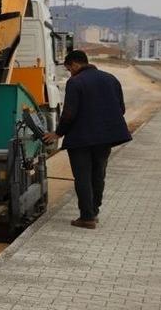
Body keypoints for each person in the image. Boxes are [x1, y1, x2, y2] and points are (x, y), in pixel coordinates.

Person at [43, 50, 132, 229]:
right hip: (105, 138)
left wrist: (58, 133)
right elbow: (120, 108)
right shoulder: (110, 78)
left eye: (69, 69)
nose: (70, 72)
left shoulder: (75, 82)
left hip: (81, 139)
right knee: (98, 174)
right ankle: (94, 211)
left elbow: (69, 114)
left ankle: (87, 217)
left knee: (82, 177)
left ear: (75, 64)